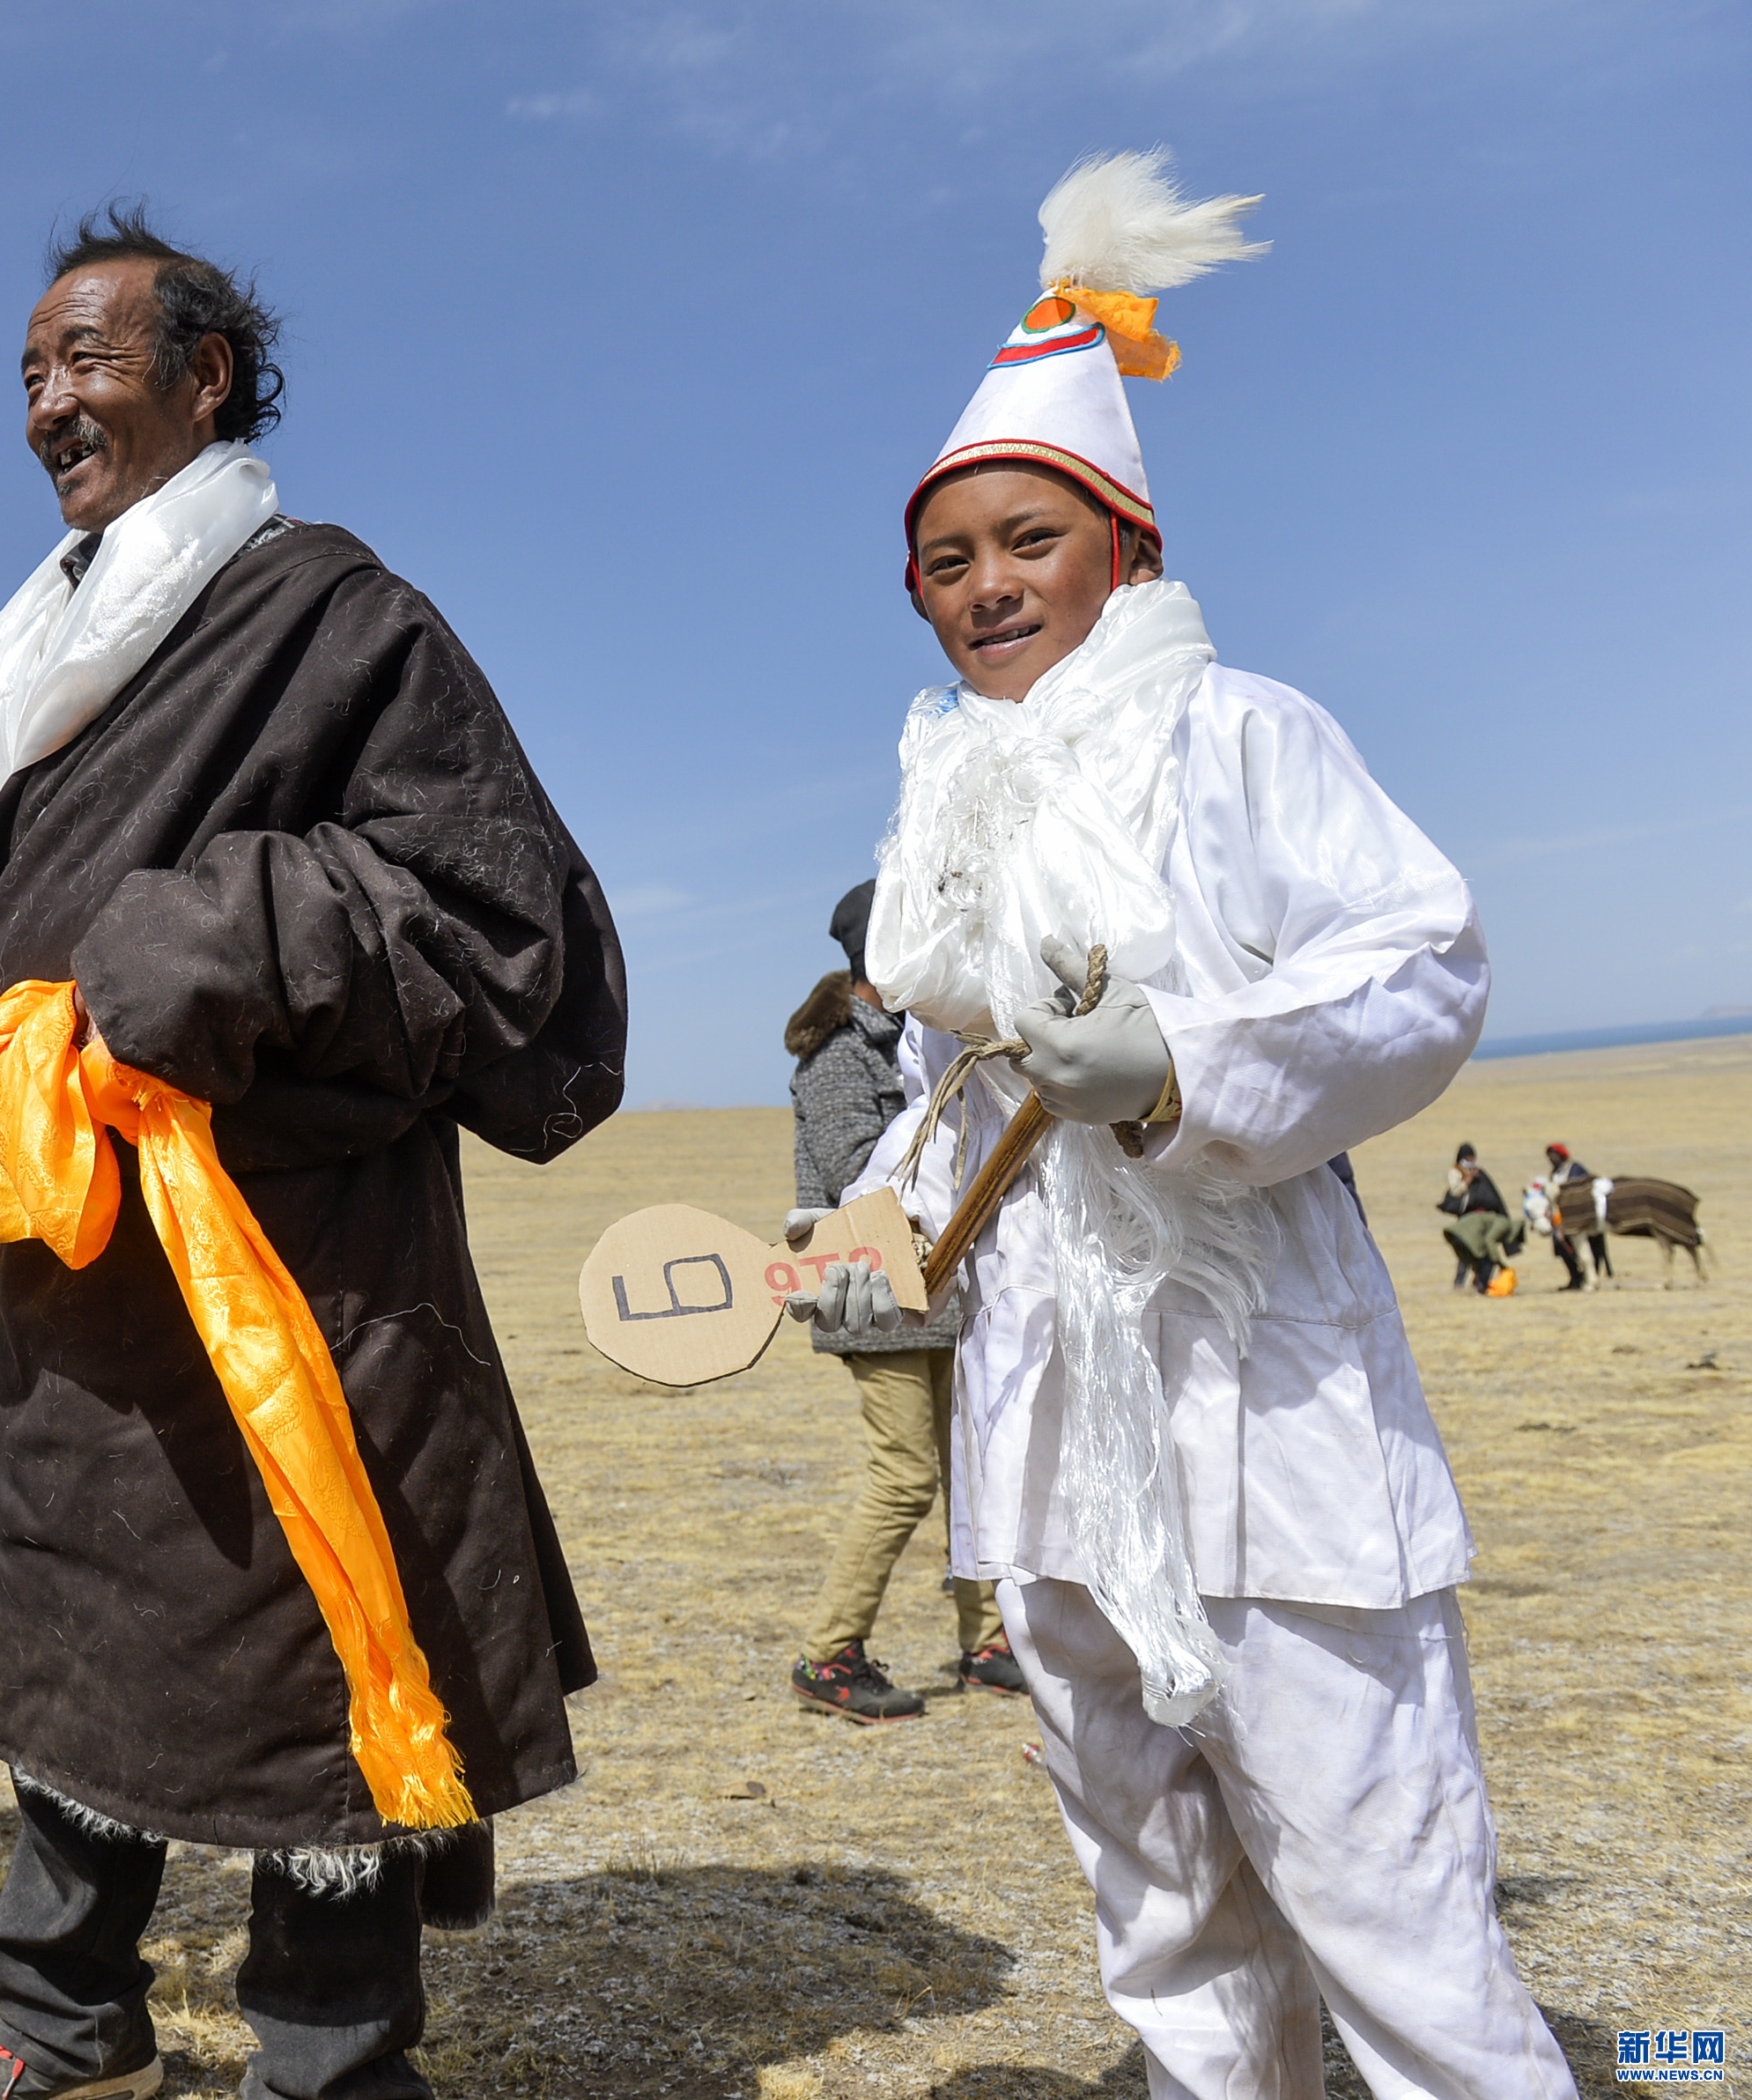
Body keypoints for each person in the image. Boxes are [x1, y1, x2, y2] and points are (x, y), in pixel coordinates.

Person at [0, 205, 625, 2100]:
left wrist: (188, 942)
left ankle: (327, 2061)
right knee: (90, 1644)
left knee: (309, 1655)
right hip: (92, 1291)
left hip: (296, 1269)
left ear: (205, 376)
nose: (44, 407)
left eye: (82, 362)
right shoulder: (47, 667)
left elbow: (502, 925)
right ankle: (70, 2029)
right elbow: (10, 975)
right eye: (25, 379)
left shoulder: (336, 616)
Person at [807, 156, 1573, 2096]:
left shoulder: (1246, 734)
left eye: (1027, 539)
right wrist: (875, 1230)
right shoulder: (946, 821)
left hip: (1270, 1416)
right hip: (1049, 1427)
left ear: (1122, 546)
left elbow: (1422, 968)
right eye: (947, 558)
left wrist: (1173, 1063)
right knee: (1156, 1913)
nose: (985, 585)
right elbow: (944, 1100)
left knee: (1387, 1904)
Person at [782, 879, 1016, 1723]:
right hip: (873, 1303)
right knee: (906, 1478)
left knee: (972, 1470)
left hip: (934, 1298)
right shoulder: (843, 1055)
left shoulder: (906, 1038)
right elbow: (860, 1181)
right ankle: (830, 1652)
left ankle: (987, 1641)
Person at [1437, 1142, 1522, 1295]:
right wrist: (1469, 1179)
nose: (1471, 1160)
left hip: (1485, 1220)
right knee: (1467, 1248)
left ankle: (1480, 1280)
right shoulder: (1455, 1172)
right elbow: (1455, 1191)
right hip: (1467, 1219)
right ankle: (1459, 1282)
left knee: (1482, 1251)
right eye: (1468, 1157)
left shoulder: (1479, 1173)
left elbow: (1491, 1195)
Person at [1541, 1142, 1614, 1288]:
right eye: (1550, 1156)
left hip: (1583, 1216)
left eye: (1554, 1155)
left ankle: (1592, 1277)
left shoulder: (1576, 1169)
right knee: (1561, 1246)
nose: (1552, 1159)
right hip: (1564, 1218)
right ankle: (1575, 1277)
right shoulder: (1555, 1174)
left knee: (1593, 1247)